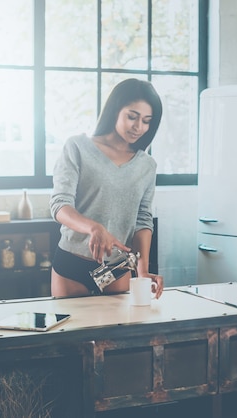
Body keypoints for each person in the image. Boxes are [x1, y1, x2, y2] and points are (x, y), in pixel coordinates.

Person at [49, 78, 164, 299]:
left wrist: (142, 272)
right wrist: (94, 228)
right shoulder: (78, 147)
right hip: (73, 260)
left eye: (147, 121)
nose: (138, 127)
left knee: (114, 333)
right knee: (73, 331)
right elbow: (59, 205)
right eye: (132, 116)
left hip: (117, 265)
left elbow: (142, 220)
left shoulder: (146, 165)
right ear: (115, 110)